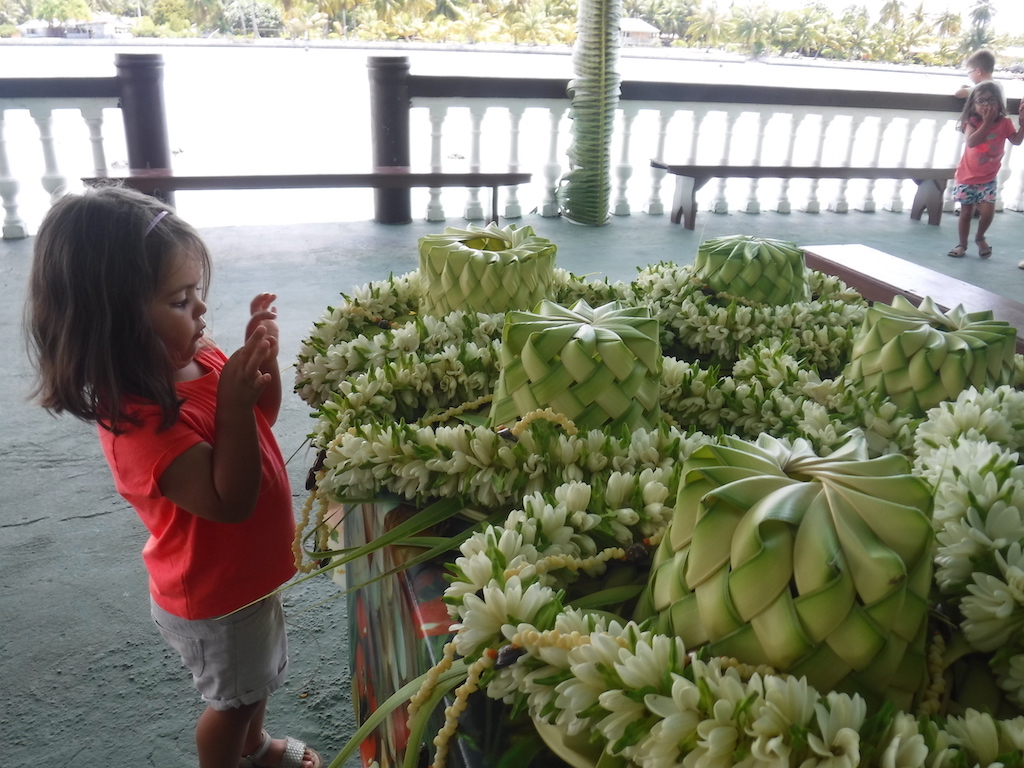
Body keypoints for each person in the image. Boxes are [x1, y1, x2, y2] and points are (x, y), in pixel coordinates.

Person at [24, 185, 321, 768]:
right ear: (112, 322)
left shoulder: (199, 355)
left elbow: (261, 421)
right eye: (181, 300)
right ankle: (236, 754)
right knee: (231, 704)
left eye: (197, 295)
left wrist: (261, 370)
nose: (202, 313)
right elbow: (228, 499)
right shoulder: (137, 422)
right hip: (212, 593)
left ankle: (255, 750)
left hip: (245, 576)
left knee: (254, 684)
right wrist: (232, 406)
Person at [947, 81, 1024, 260]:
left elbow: (1017, 140)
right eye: (981, 101)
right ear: (973, 105)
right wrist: (987, 122)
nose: (987, 105)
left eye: (992, 100)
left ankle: (980, 237)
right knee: (966, 213)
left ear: (999, 103)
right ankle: (962, 244)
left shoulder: (1004, 123)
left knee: (988, 212)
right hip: (967, 176)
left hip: (988, 177)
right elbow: (972, 142)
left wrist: (1022, 123)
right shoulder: (972, 122)